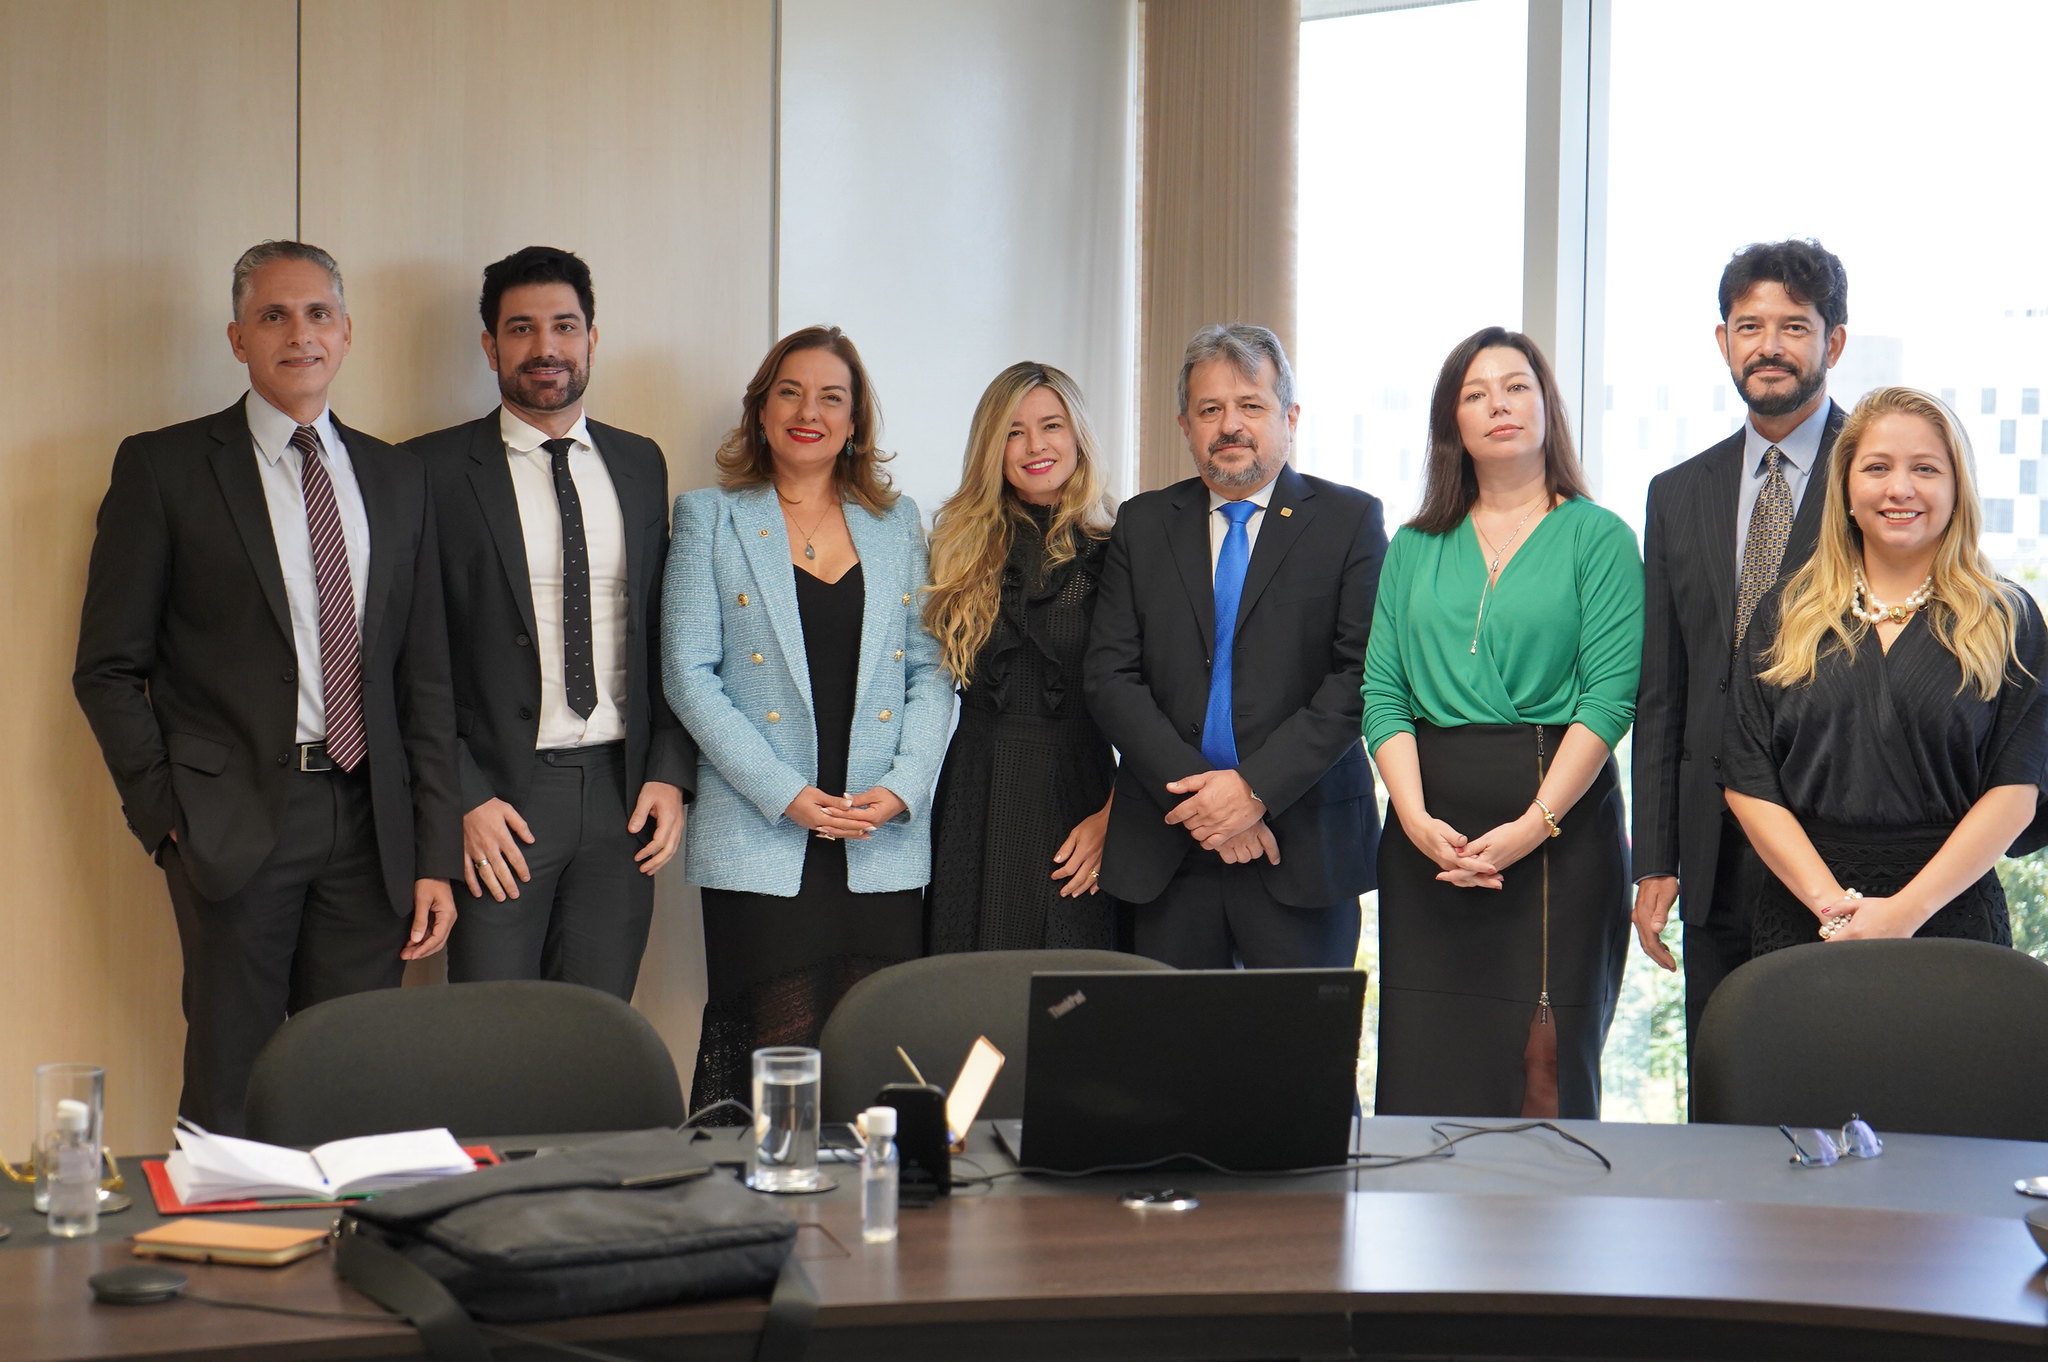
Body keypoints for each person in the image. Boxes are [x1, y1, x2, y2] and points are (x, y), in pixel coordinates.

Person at [72, 241, 461, 1135]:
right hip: (234, 820)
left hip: (372, 824)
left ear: (347, 332)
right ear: (238, 338)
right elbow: (107, 667)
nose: (300, 334)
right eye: (274, 316)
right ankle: (228, 1228)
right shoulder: (165, 468)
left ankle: (338, 1229)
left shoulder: (397, 477)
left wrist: (434, 849)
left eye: (318, 313)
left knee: (353, 1079)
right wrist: (168, 815)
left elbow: (425, 680)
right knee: (231, 1079)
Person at [662, 325, 950, 1110]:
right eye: (789, 393)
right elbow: (687, 674)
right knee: (776, 1060)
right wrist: (783, 793)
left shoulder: (898, 523)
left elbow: (931, 670)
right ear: (760, 411)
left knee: (874, 1054)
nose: (808, 412)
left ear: (855, 422)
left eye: (831, 398)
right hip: (764, 829)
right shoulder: (709, 517)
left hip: (876, 831)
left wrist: (904, 787)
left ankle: (869, 1196)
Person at [1363, 327, 1642, 1119]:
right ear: (1452, 421)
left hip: (1560, 835)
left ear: (1546, 405)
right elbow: (1383, 693)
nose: (1499, 405)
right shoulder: (1412, 546)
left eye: (1516, 386)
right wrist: (1414, 820)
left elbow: (1608, 700)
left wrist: (1533, 826)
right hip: (1428, 841)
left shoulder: (1599, 537)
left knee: (1543, 1074)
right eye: (1476, 393)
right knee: (1428, 1070)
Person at [411, 247, 695, 1002]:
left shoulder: (640, 463)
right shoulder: (429, 471)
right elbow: (410, 656)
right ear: (490, 346)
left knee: (599, 1031)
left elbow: (664, 631)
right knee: (493, 1035)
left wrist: (669, 772)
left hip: (621, 797)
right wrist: (461, 797)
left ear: (592, 339)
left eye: (565, 326)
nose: (546, 347)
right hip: (501, 800)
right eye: (522, 329)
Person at [1085, 323, 1386, 970]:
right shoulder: (1142, 523)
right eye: (1209, 410)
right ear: (1184, 425)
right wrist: (1205, 805)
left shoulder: (1349, 522)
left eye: (1250, 405)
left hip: (1302, 843)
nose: (1230, 426)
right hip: (1168, 847)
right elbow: (1110, 677)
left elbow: (1358, 677)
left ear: (1289, 417)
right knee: (1171, 1037)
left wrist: (1252, 791)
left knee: (1295, 1037)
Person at [1724, 387, 2047, 953]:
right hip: (1808, 918)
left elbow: (2016, 789)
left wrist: (1904, 912)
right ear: (1846, 488)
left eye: (1925, 468)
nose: (1900, 488)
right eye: (1877, 468)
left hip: (1951, 917)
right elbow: (1748, 778)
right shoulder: (1784, 614)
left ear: (1957, 489)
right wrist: (1834, 909)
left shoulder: (2007, 620)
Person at [1632, 240, 1849, 1038]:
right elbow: (1664, 690)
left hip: (1836, 841)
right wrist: (1656, 857)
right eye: (1750, 327)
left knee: (1838, 1073)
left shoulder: (1877, 475)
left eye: (1794, 327)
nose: (1769, 346)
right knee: (1724, 1072)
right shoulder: (1676, 493)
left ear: (1833, 342)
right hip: (1712, 846)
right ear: (1723, 340)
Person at [925, 362, 1118, 952]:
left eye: (1051, 425)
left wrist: (1117, 816)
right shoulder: (955, 548)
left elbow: (1157, 698)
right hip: (975, 791)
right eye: (1013, 431)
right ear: (992, 447)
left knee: (1068, 985)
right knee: (969, 984)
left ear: (1078, 435)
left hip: (1080, 794)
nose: (1035, 445)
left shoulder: (1120, 548)